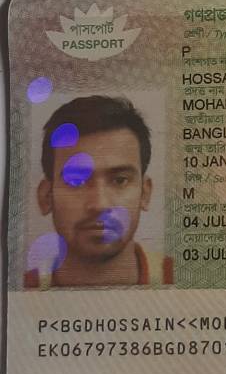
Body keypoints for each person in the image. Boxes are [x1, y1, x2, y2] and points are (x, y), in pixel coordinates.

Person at [25, 95, 172, 289]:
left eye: (120, 180)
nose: (100, 204)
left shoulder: (180, 278)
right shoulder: (19, 289)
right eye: (76, 180)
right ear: (46, 197)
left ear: (145, 194)